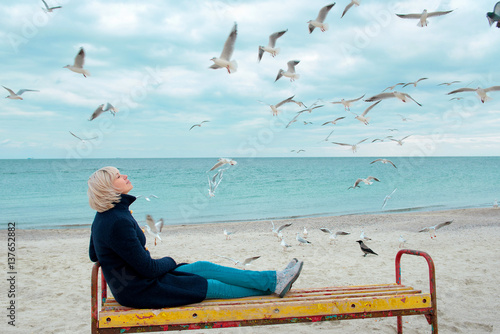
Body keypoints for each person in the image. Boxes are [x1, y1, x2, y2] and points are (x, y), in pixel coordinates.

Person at [88, 166, 303, 309]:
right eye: (118, 176)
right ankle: (272, 285)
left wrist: (113, 257)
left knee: (203, 266)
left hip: (137, 282)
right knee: (213, 286)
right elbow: (148, 269)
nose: (124, 176)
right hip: (141, 290)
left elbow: (93, 254)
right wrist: (171, 262)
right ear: (107, 187)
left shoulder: (105, 215)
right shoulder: (117, 220)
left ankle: (273, 280)